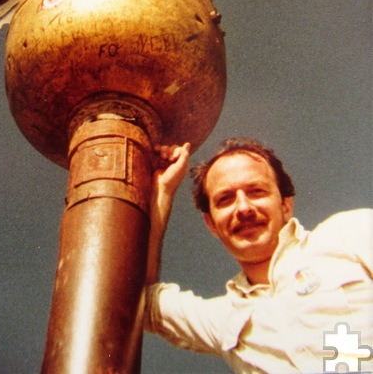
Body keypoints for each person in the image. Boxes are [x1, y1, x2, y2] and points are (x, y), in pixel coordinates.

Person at [144, 138, 373, 374]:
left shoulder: (350, 233)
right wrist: (161, 191)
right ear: (211, 224)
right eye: (226, 199)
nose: (243, 208)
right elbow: (137, 299)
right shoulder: (223, 319)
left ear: (286, 205)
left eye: (256, 191)